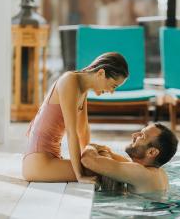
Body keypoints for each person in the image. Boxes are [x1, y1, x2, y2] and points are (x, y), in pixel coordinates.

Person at [22, 52, 129, 183]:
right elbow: (72, 133)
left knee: (102, 157)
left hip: (50, 158)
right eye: (113, 86)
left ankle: (135, 166)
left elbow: (83, 131)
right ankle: (137, 171)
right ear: (101, 73)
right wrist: (80, 175)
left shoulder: (81, 90)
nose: (112, 92)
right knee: (104, 169)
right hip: (38, 163)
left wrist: (90, 157)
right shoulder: (69, 81)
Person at [81, 123, 179, 193]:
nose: (134, 135)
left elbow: (88, 160)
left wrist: (91, 146)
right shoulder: (158, 172)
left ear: (151, 152)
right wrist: (107, 153)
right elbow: (125, 163)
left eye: (142, 136)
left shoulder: (141, 173)